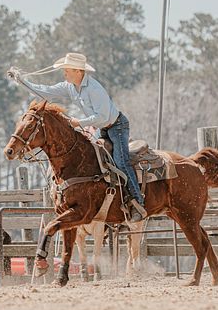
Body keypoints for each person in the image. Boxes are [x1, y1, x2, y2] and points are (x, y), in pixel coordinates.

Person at [12, 53, 147, 222]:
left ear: (78, 71)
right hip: (100, 128)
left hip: (116, 126)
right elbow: (45, 92)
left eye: (67, 70)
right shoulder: (70, 86)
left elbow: (103, 117)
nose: (64, 74)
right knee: (91, 158)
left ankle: (137, 203)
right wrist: (22, 80)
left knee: (121, 161)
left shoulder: (94, 89)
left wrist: (78, 122)